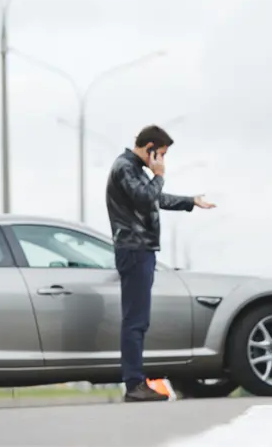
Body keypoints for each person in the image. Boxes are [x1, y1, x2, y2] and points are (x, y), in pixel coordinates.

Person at [105, 124, 216, 402]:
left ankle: (135, 382)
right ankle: (134, 384)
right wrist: (159, 175)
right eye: (162, 154)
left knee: (138, 320)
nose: (163, 160)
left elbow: (156, 198)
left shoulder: (133, 170)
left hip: (140, 249)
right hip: (134, 249)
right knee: (135, 320)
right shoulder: (125, 167)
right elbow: (146, 198)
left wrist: (190, 201)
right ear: (150, 149)